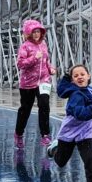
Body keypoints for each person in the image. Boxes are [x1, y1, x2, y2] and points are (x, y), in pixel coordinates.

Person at [47, 64, 92, 182]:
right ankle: (54, 148)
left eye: (82, 74)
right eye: (76, 76)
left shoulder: (90, 90)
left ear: (88, 76)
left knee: (89, 161)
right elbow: (81, 114)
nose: (80, 77)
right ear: (72, 80)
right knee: (61, 162)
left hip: (85, 132)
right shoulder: (75, 95)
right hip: (70, 132)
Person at [14, 19, 57, 148]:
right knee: (25, 109)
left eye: (38, 32)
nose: (36, 34)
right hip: (27, 83)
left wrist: (50, 69)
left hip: (44, 81)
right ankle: (19, 134)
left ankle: (45, 135)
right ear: (28, 33)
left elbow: (46, 61)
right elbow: (20, 64)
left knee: (44, 105)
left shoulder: (43, 44)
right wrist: (34, 58)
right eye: (33, 32)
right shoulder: (25, 46)